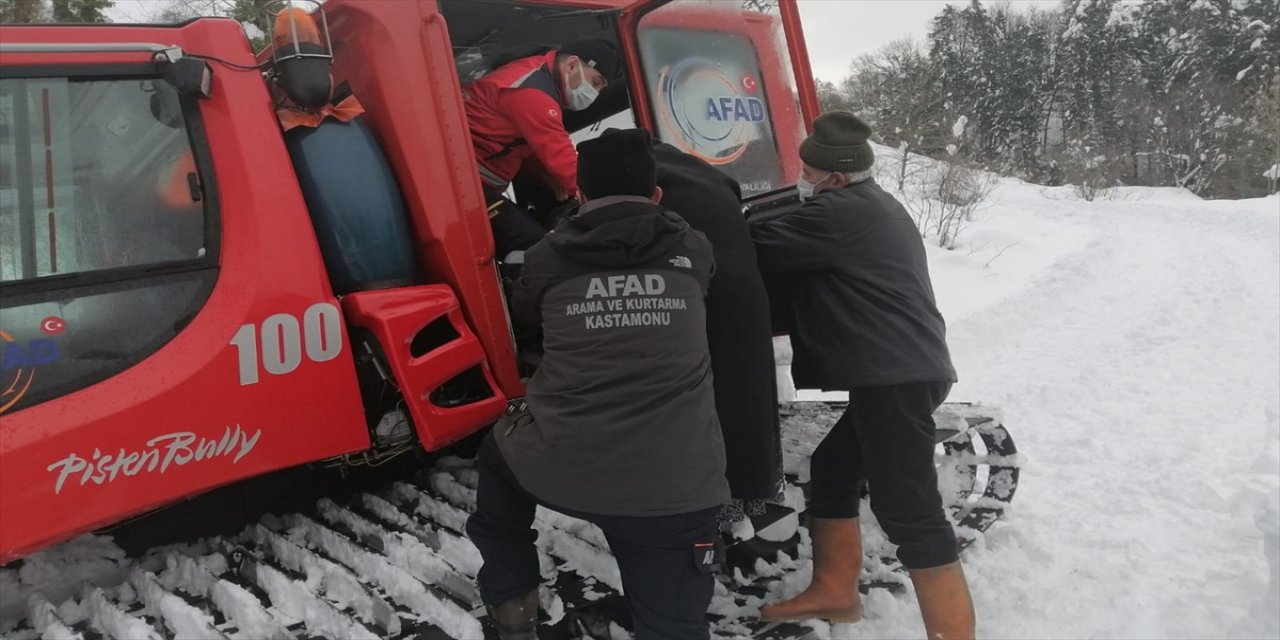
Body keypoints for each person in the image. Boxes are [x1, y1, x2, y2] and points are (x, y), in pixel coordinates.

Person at [465, 128, 730, 640]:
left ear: (580, 195)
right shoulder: (694, 250)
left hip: (560, 463)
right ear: (656, 195)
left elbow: (528, 315)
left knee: (497, 456)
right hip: (674, 489)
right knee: (674, 624)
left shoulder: (546, 256)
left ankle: (514, 611)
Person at [749, 111, 975, 639]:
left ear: (836, 176)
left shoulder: (839, 214)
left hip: (895, 376)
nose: (800, 177)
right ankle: (835, 591)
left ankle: (953, 633)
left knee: (909, 507)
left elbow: (751, 248)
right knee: (832, 470)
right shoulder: (866, 205)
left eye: (807, 170)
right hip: (895, 370)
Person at [652, 142, 783, 519]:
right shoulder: (707, 178)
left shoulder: (662, 191)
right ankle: (756, 493)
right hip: (748, 296)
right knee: (750, 398)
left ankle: (720, 515)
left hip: (708, 298)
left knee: (716, 404)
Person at [462, 38, 623, 260]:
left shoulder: (535, 79)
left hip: (474, 182)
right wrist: (612, 207)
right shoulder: (534, 93)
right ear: (572, 65)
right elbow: (562, 157)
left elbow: (521, 146)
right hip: (464, 184)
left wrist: (546, 175)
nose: (594, 94)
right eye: (595, 83)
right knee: (533, 246)